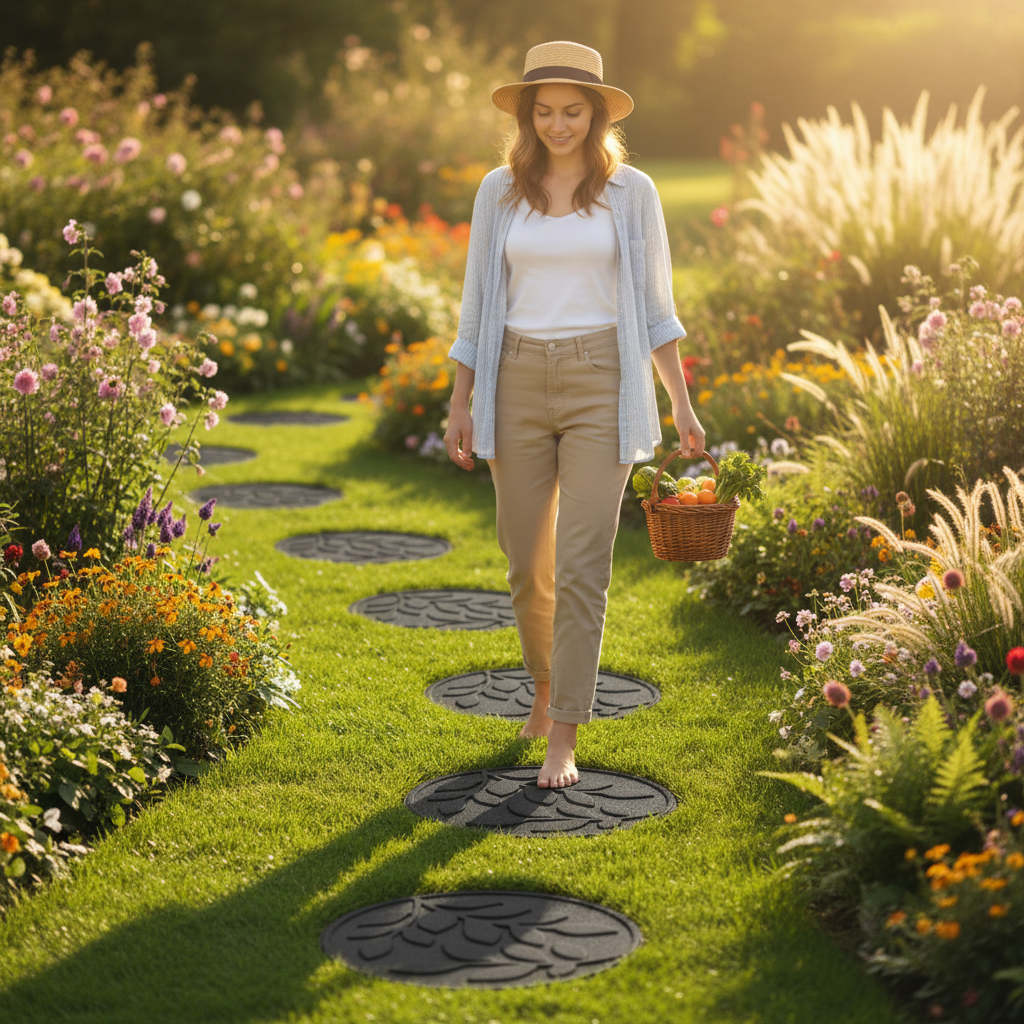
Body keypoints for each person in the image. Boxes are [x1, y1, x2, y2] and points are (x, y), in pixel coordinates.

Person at [444, 40, 705, 788]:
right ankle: (544, 685)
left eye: (574, 111)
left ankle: (565, 731)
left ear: (596, 115)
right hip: (515, 380)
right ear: (528, 116)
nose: (559, 124)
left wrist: (683, 409)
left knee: (583, 564)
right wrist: (461, 401)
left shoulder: (634, 193)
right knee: (527, 563)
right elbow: (475, 304)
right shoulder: (499, 191)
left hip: (602, 383)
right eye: (546, 111)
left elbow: (657, 308)